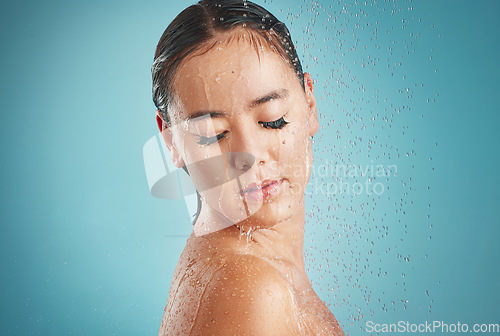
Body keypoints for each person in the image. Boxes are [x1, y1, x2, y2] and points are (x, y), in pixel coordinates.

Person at [151, 0, 344, 334]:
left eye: (273, 121)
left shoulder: (242, 270)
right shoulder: (251, 291)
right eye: (213, 136)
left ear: (310, 104)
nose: (250, 156)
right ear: (171, 142)